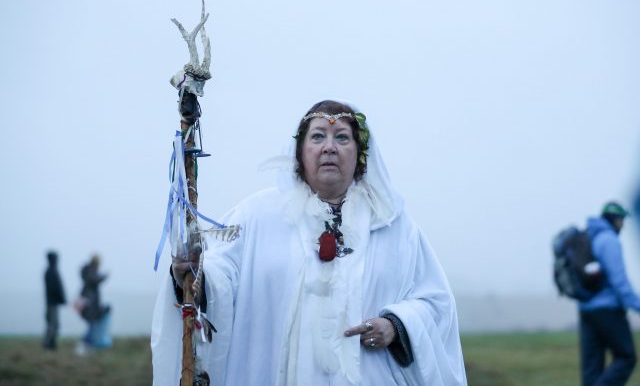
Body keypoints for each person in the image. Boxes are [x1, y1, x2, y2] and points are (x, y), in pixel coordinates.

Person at [152, 100, 467, 385]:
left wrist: (395, 325)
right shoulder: (257, 215)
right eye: (317, 137)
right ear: (299, 153)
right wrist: (197, 273)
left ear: (359, 155)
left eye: (342, 137)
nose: (329, 147)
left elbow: (435, 304)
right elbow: (222, 271)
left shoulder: (393, 225)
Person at [580, 201, 640, 385]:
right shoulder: (609, 240)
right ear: (615, 219)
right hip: (608, 310)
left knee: (592, 368)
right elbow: (619, 282)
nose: (622, 225)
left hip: (586, 309)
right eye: (622, 220)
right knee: (626, 357)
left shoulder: (589, 236)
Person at [78, 254, 112, 351]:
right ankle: (85, 343)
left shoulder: (87, 271)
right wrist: (104, 276)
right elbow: (95, 280)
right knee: (92, 323)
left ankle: (87, 343)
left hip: (88, 301)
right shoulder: (90, 272)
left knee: (91, 323)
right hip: (89, 303)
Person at [43, 250, 66, 350]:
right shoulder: (51, 271)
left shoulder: (50, 271)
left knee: (54, 324)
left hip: (52, 302)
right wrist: (61, 299)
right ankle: (48, 344)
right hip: (52, 303)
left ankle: (51, 343)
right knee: (52, 324)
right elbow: (55, 288)